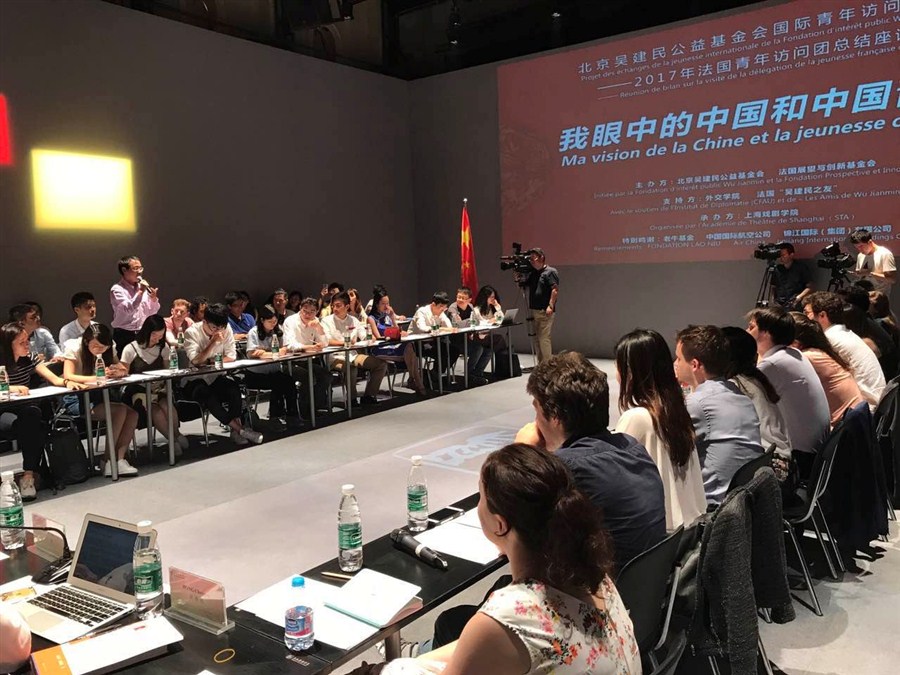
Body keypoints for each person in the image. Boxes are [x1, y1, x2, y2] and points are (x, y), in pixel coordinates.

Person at [403, 444, 639, 675]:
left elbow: (491, 637)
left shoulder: (511, 614)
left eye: (480, 497)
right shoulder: (594, 575)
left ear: (500, 525)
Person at [516, 351, 666, 569]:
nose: (535, 422)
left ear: (555, 417)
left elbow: (504, 528)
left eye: (537, 411)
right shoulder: (632, 447)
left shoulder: (565, 469)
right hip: (648, 584)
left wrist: (521, 451)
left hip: (604, 587)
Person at [613, 329, 706, 530]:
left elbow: (614, 483)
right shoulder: (677, 411)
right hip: (688, 529)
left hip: (659, 534)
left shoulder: (637, 418)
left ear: (630, 372)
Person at [674, 325, 764, 505]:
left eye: (679, 358)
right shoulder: (740, 397)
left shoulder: (698, 403)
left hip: (714, 508)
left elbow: (669, 448)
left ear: (694, 365)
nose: (675, 363)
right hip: (745, 503)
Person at [0, 322, 84, 500]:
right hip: (3, 411)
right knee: (32, 427)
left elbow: (53, 378)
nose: (27, 345)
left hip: (24, 409)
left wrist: (67, 382)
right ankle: (31, 475)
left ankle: (28, 476)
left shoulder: (30, 358)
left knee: (34, 418)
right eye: (21, 342)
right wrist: (11, 388)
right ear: (8, 345)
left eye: (27, 340)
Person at [745, 307, 829, 471]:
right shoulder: (794, 354)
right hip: (817, 452)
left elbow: (741, 401)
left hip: (800, 459)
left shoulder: (772, 365)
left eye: (751, 327)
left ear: (766, 333)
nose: (746, 331)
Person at [61, 323, 140, 477]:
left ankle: (119, 459)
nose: (99, 350)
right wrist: (96, 377)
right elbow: (68, 375)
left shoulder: (109, 349)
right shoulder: (74, 348)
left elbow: (121, 367)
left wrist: (118, 372)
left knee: (133, 414)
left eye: (103, 347)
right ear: (86, 342)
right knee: (119, 411)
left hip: (101, 395)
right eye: (95, 346)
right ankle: (108, 460)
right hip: (78, 398)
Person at [182, 303, 263, 445]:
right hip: (194, 380)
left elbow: (231, 356)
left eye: (221, 328)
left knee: (233, 389)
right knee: (207, 395)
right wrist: (212, 343)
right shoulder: (191, 332)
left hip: (216, 376)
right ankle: (241, 430)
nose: (218, 331)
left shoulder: (226, 329)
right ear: (204, 322)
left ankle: (235, 432)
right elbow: (196, 361)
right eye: (214, 328)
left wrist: (209, 361)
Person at [119, 315, 189, 453]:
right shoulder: (131, 348)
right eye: (154, 335)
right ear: (146, 332)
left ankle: (176, 434)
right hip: (139, 390)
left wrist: (162, 381)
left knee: (167, 405)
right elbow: (123, 373)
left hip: (158, 388)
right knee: (154, 409)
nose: (157, 339)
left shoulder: (163, 348)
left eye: (160, 336)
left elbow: (168, 370)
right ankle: (172, 440)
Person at [804, 291, 886, 408]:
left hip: (865, 408)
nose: (805, 318)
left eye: (807, 313)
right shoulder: (842, 333)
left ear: (822, 315)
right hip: (875, 403)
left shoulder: (830, 339)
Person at [789, 313, 864, 426]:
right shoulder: (818, 352)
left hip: (842, 429)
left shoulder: (807, 357)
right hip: (854, 423)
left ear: (795, 343)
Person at [321, 291, 388, 405]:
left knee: (381, 365)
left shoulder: (353, 320)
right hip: (334, 357)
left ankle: (369, 396)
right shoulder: (326, 321)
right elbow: (326, 341)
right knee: (351, 368)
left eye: (338, 305)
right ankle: (352, 399)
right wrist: (344, 343)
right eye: (333, 306)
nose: (335, 308)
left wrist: (370, 338)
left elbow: (364, 335)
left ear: (347, 306)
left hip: (352, 354)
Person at [244, 305, 304, 429]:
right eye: (270, 321)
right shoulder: (254, 332)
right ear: (262, 320)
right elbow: (251, 353)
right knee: (278, 384)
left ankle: (292, 415)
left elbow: (285, 348)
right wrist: (271, 353)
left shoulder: (278, 330)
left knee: (289, 382)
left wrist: (264, 352)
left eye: (275, 321)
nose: (273, 324)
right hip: (256, 374)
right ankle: (275, 417)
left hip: (274, 371)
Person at [366, 289, 427, 396]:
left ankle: (414, 381)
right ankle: (417, 383)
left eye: (388, 303)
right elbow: (378, 337)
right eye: (383, 304)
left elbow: (397, 331)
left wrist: (393, 318)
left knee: (409, 347)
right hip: (380, 348)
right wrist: (392, 336)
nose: (386, 306)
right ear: (376, 304)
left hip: (393, 345)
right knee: (411, 353)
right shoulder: (371, 319)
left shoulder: (387, 316)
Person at [280, 298, 331, 410]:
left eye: (312, 312)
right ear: (300, 309)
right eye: (305, 311)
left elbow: (325, 343)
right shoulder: (290, 321)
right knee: (307, 377)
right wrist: (310, 347)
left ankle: (316, 406)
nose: (308, 315)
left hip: (308, 360)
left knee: (325, 375)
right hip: (290, 362)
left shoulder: (316, 321)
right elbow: (290, 345)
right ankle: (304, 409)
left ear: (317, 311)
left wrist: (319, 328)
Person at [110, 255, 160, 357]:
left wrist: (154, 299)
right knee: (124, 364)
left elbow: (152, 312)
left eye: (140, 268)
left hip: (143, 333)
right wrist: (140, 291)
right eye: (135, 268)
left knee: (143, 363)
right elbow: (128, 309)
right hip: (124, 335)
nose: (139, 272)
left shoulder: (143, 288)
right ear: (124, 270)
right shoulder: (117, 289)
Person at [515, 248, 559, 364]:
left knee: (544, 338)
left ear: (541, 258)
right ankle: (541, 364)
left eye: (533, 258)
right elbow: (523, 285)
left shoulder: (550, 272)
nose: (531, 261)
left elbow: (554, 290)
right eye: (530, 258)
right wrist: (517, 277)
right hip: (535, 311)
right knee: (537, 339)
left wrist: (550, 306)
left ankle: (548, 365)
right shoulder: (534, 273)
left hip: (545, 311)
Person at [446, 287, 491, 381]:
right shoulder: (453, 308)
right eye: (458, 297)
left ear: (469, 300)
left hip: (467, 339)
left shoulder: (470, 307)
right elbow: (457, 325)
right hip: (455, 341)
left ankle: (477, 373)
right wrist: (470, 321)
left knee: (488, 350)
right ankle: (469, 374)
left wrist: (465, 322)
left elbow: (477, 321)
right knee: (478, 349)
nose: (460, 300)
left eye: (463, 298)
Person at [850, 227, 896, 294]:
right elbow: (861, 275)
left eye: (861, 246)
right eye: (857, 247)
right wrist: (858, 274)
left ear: (870, 242)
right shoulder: (860, 255)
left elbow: (892, 279)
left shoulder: (885, 254)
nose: (860, 249)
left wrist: (870, 274)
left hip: (879, 296)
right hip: (863, 295)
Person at [771, 241, 813, 309]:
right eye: (780, 255)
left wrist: (799, 297)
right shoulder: (777, 269)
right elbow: (774, 286)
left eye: (783, 255)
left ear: (791, 255)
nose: (781, 257)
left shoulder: (801, 267)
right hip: (780, 304)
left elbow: (809, 287)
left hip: (795, 303)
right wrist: (773, 299)